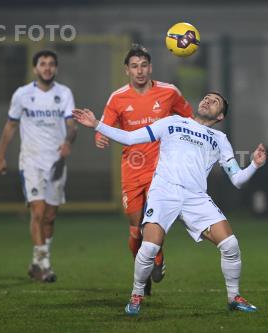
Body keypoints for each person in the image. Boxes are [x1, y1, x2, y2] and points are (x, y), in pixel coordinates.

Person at [73, 92, 267, 316]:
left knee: (231, 245)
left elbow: (238, 179)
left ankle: (233, 297)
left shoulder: (219, 139)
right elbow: (129, 138)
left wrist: (254, 164)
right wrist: (97, 124)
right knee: (149, 247)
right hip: (164, 191)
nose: (207, 100)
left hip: (195, 197)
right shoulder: (173, 122)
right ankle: (136, 296)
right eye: (206, 97)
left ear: (221, 116)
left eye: (215, 101)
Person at [95, 44, 193, 294]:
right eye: (134, 66)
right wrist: (99, 137)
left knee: (153, 222)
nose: (140, 71)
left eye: (144, 65)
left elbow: (189, 119)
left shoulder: (169, 92)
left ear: (151, 67)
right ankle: (143, 269)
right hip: (132, 168)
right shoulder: (117, 98)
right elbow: (104, 126)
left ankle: (157, 258)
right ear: (127, 70)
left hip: (162, 170)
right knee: (135, 230)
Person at [0, 50, 77, 283]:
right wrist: (0, 156)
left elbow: (72, 125)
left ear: (56, 68)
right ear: (35, 68)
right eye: (43, 64)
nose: (47, 68)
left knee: (50, 216)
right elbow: (10, 126)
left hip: (56, 162)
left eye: (51, 64)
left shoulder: (64, 93)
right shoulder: (22, 94)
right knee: (38, 212)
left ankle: (36, 261)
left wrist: (68, 142)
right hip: (30, 161)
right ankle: (45, 266)